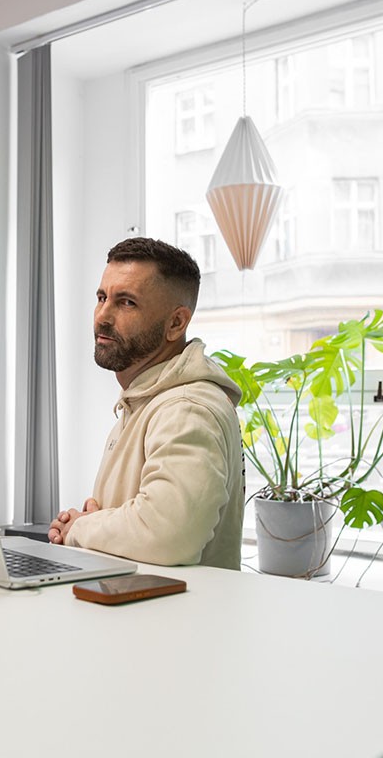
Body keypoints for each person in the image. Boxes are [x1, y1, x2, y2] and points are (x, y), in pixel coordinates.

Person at [47, 237, 245, 569]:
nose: (103, 316)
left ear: (176, 323)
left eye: (126, 302)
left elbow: (168, 535)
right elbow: (141, 525)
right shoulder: (146, 401)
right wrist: (95, 526)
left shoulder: (187, 408)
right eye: (102, 298)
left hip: (178, 605)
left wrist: (80, 528)